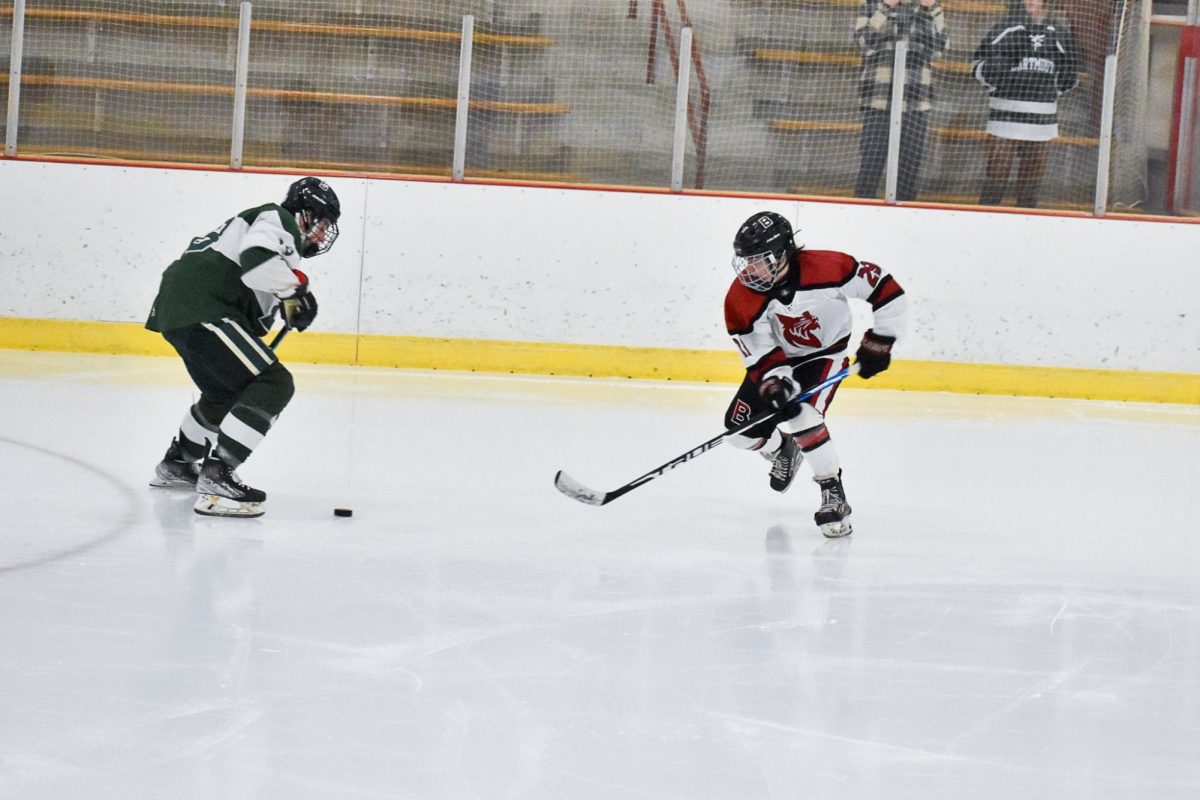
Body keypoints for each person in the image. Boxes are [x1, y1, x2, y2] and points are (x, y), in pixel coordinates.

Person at [146, 177, 341, 518]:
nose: (323, 235)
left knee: (227, 392)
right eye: (323, 223)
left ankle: (177, 464)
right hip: (204, 307)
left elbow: (255, 315)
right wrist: (294, 292)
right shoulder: (279, 219)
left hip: (183, 309)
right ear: (305, 213)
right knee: (274, 382)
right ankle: (218, 476)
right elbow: (257, 261)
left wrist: (287, 304)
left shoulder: (275, 245)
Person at [723, 211, 907, 538]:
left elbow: (885, 288)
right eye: (745, 262)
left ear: (782, 253)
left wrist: (881, 340)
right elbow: (760, 351)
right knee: (739, 434)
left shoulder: (828, 267)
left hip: (825, 355)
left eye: (758, 260)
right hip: (781, 360)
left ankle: (832, 491)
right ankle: (784, 450)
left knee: (804, 414)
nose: (749, 270)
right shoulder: (740, 299)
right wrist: (775, 384)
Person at [972, 0, 1079, 207]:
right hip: (1005, 117)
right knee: (995, 183)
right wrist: (995, 70)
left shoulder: (1060, 31)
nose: (1030, 1)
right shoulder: (1005, 27)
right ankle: (983, 227)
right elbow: (977, 66)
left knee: (1030, 189)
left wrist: (1059, 84)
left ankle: (1026, 232)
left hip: (1042, 121)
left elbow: (1070, 75)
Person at [853, 0, 948, 201]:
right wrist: (886, 7)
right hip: (878, 98)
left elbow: (939, 48)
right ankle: (861, 215)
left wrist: (930, 9)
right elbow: (863, 41)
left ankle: (906, 220)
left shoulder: (931, 5)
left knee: (909, 169)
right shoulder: (871, 3)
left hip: (916, 99)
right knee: (870, 164)